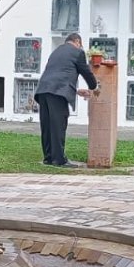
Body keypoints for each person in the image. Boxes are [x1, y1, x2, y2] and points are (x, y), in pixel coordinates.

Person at [34, 33, 99, 167]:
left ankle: (48, 158)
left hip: (43, 90)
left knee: (47, 126)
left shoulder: (56, 51)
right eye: (80, 44)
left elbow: (58, 74)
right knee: (58, 125)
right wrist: (94, 86)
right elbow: (85, 71)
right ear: (77, 41)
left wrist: (76, 91)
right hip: (57, 92)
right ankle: (59, 160)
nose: (80, 47)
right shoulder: (77, 52)